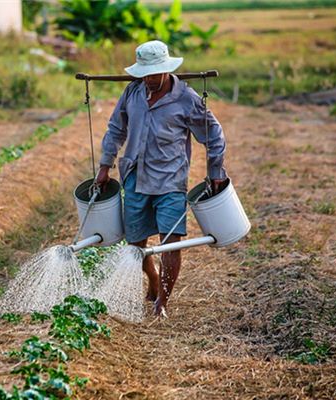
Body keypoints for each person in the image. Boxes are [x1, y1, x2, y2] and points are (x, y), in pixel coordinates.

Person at [95, 40, 228, 317]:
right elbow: (115, 129)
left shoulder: (187, 99)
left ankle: (162, 303)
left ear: (167, 70)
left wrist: (215, 171)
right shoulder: (132, 93)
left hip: (170, 180)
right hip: (135, 176)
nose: (150, 79)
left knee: (171, 241)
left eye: (155, 74)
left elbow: (214, 135)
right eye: (146, 74)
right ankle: (153, 279)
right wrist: (105, 165)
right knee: (135, 244)